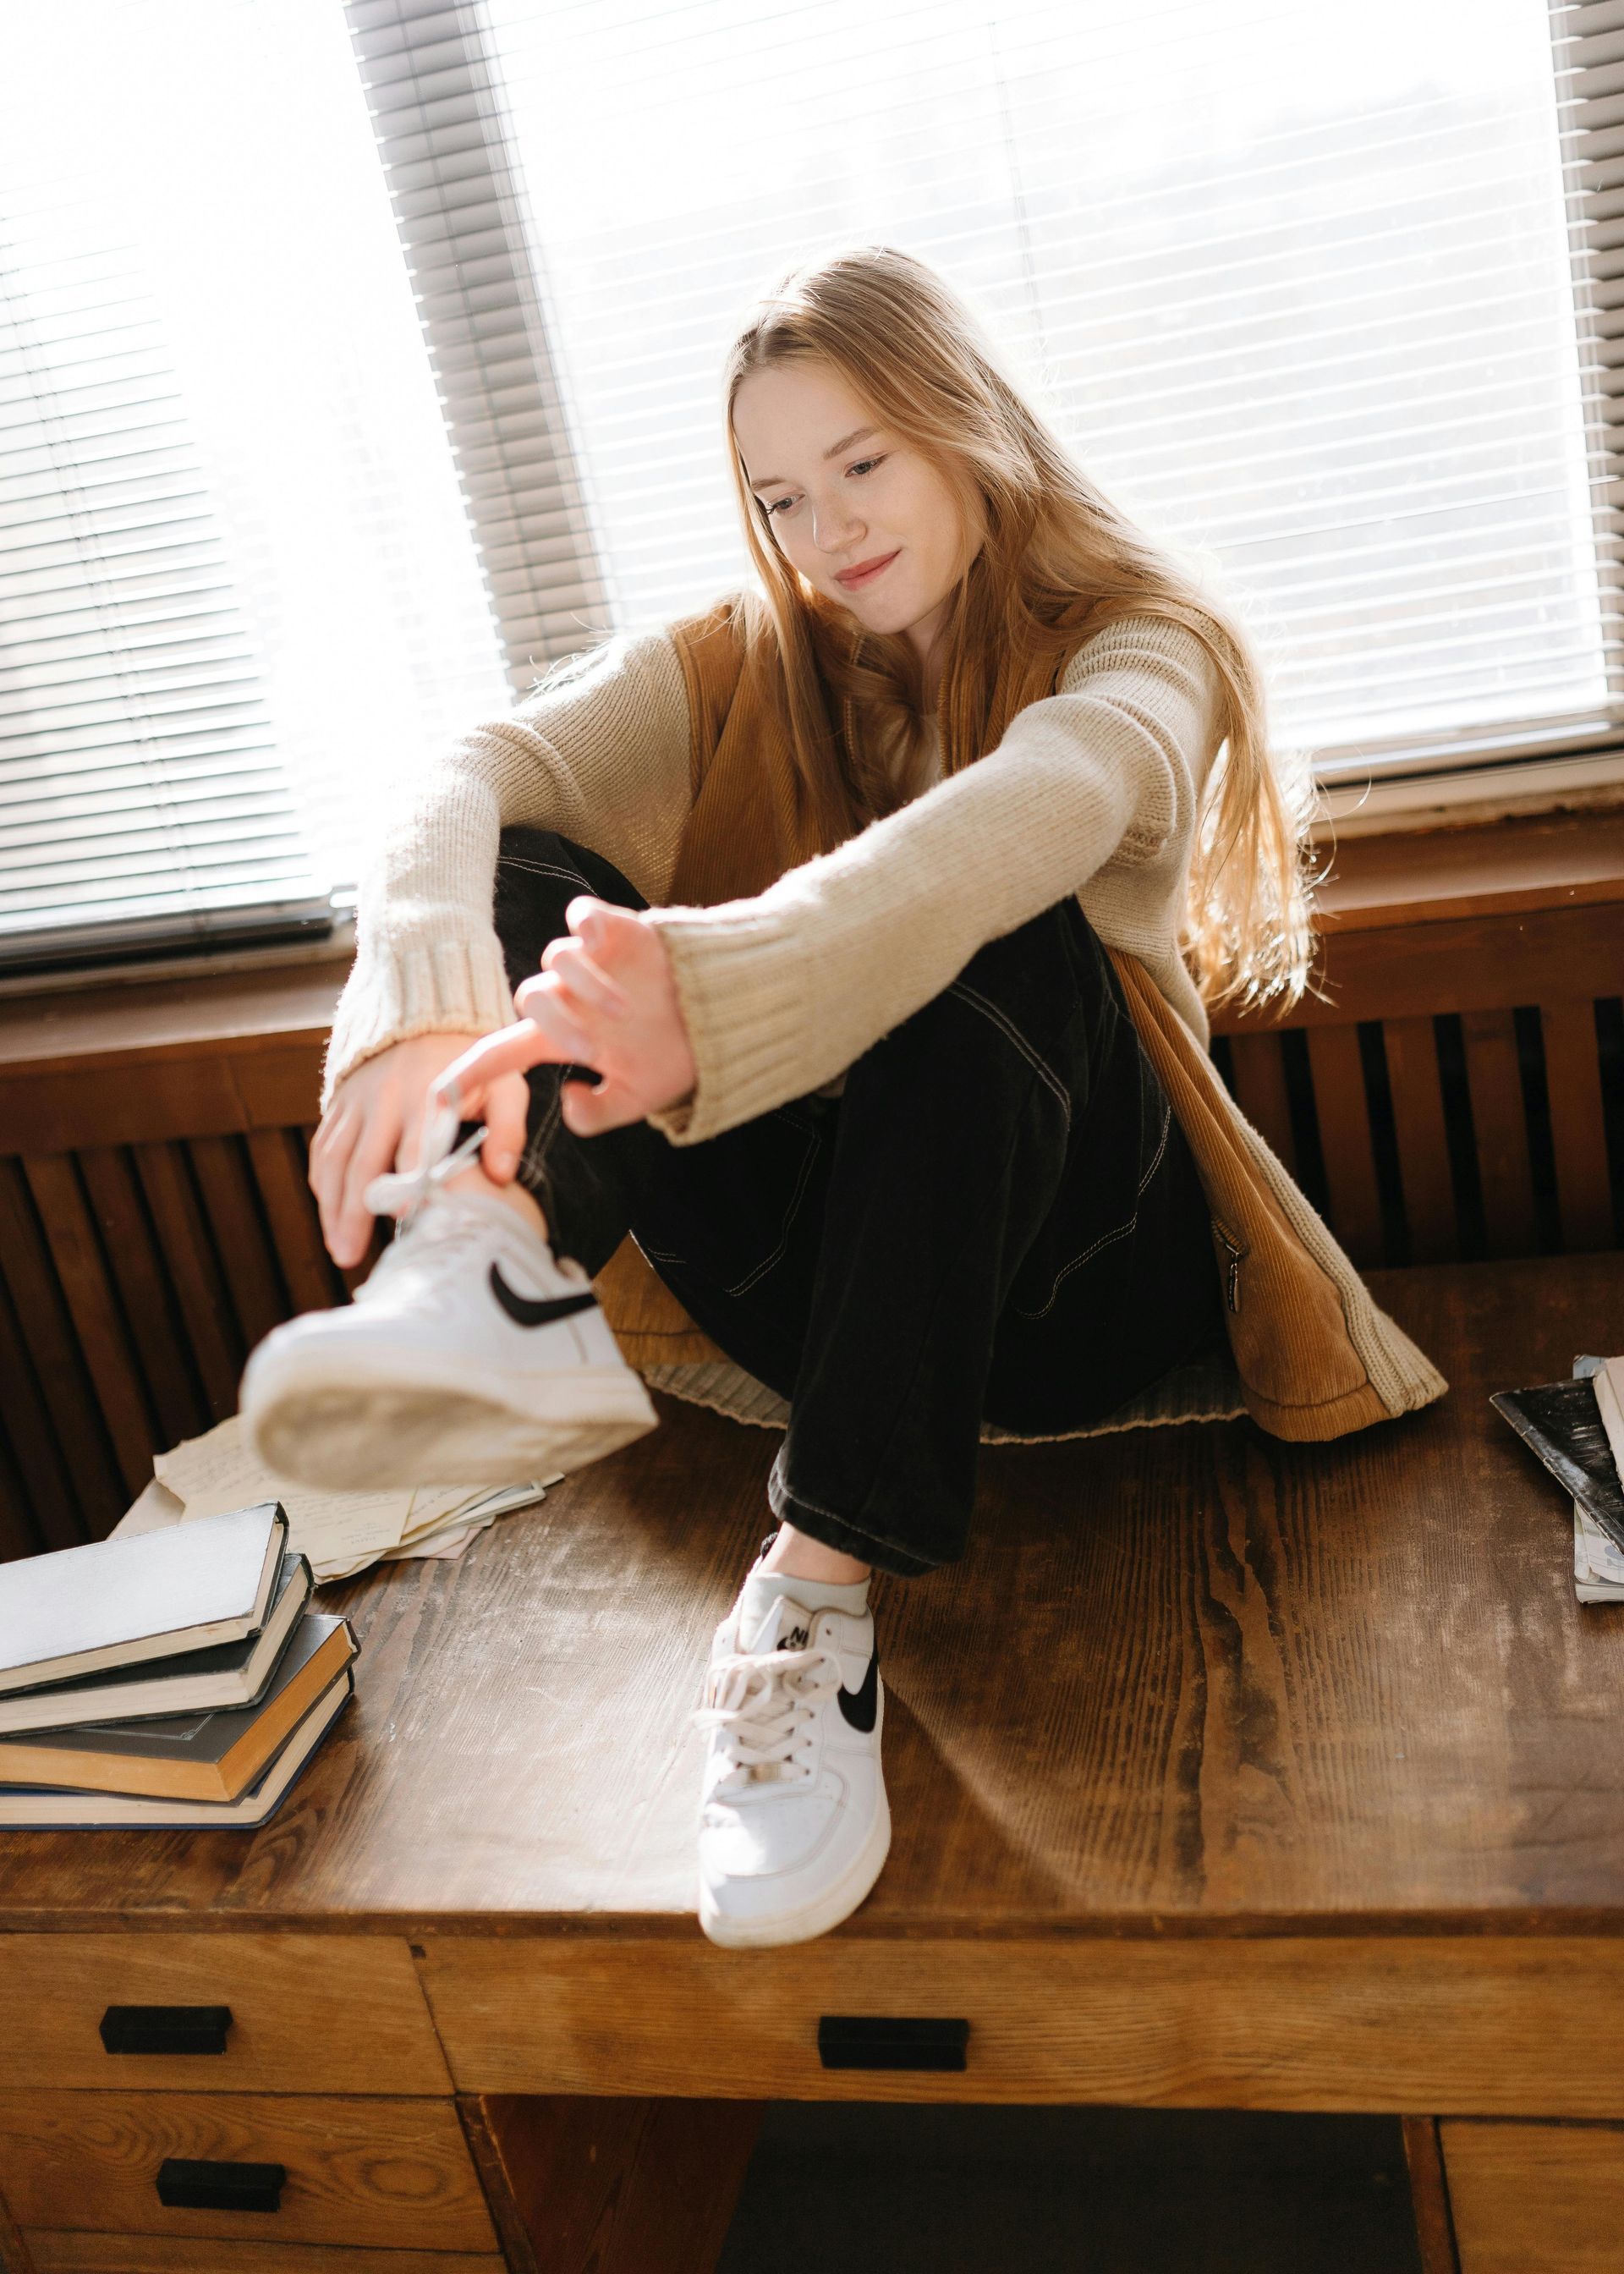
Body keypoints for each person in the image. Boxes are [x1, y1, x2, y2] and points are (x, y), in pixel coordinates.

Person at [240, 244, 1444, 1950]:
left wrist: (720, 993)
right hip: (846, 1281)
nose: (829, 533)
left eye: (863, 465)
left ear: (969, 427)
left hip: (1079, 1281)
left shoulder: (1140, 648)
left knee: (1008, 927)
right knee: (531, 861)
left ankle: (813, 1605)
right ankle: (482, 1247)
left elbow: (1031, 811)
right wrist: (426, 982)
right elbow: (471, 771)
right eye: (780, 495)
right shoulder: (769, 656)